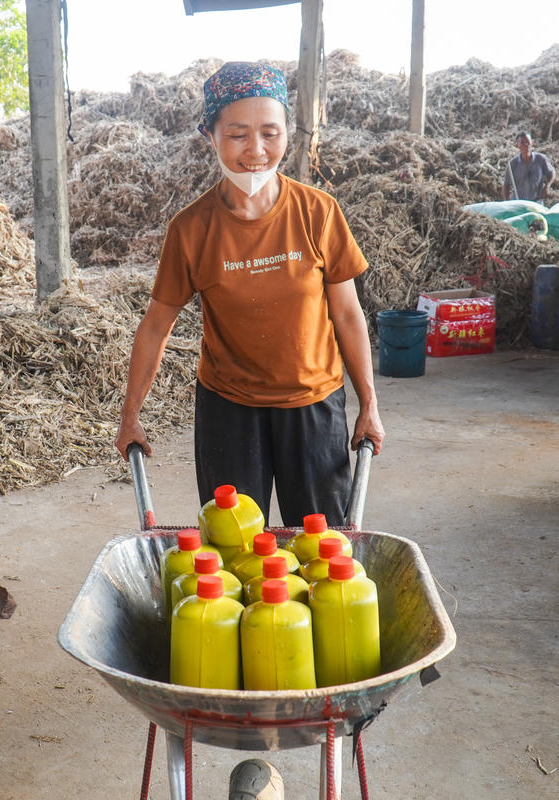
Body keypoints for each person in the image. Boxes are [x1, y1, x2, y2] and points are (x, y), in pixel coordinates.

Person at [113, 62, 385, 526]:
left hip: (313, 405)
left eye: (270, 133)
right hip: (229, 410)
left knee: (320, 544)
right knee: (232, 544)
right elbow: (156, 326)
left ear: (287, 133)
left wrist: (369, 405)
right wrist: (130, 415)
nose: (256, 151)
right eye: (237, 135)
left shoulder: (318, 213)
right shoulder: (191, 229)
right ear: (210, 135)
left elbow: (347, 314)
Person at [502, 131, 554, 203]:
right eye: (522, 142)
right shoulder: (512, 164)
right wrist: (507, 203)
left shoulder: (541, 159)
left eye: (527, 142)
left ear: (531, 143)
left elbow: (552, 172)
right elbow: (506, 185)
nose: (526, 144)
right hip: (519, 203)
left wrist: (547, 186)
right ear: (517, 145)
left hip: (536, 202)